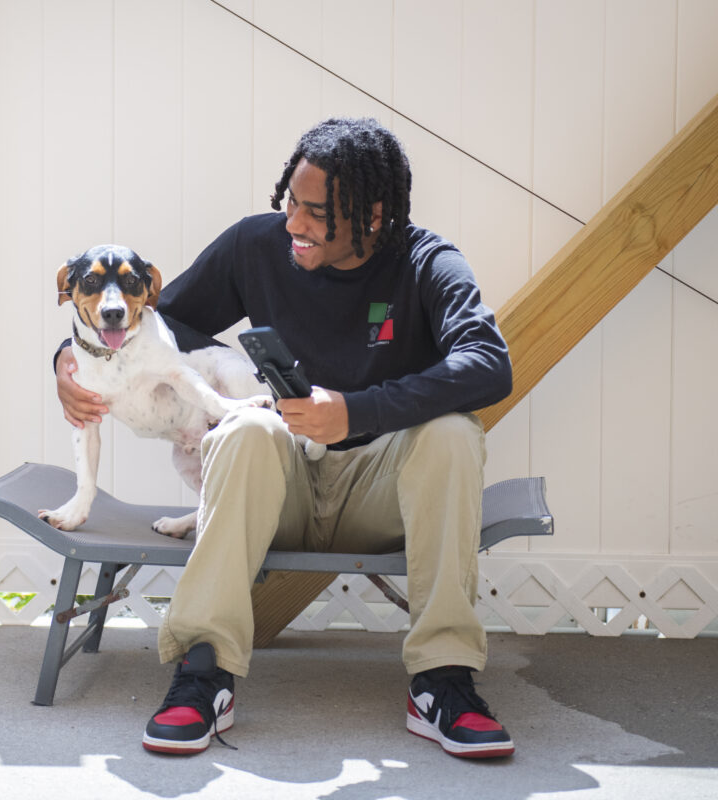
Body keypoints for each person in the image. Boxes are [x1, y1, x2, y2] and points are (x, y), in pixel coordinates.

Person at [54, 118, 514, 759]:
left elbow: (490, 364)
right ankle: (204, 668)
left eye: (316, 212)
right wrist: (66, 359)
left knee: (453, 434)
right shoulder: (256, 245)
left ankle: (443, 680)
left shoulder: (425, 262)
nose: (293, 222)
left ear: (372, 214)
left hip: (382, 495)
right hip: (282, 486)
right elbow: (157, 320)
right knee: (248, 426)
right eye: (289, 201)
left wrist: (356, 412)